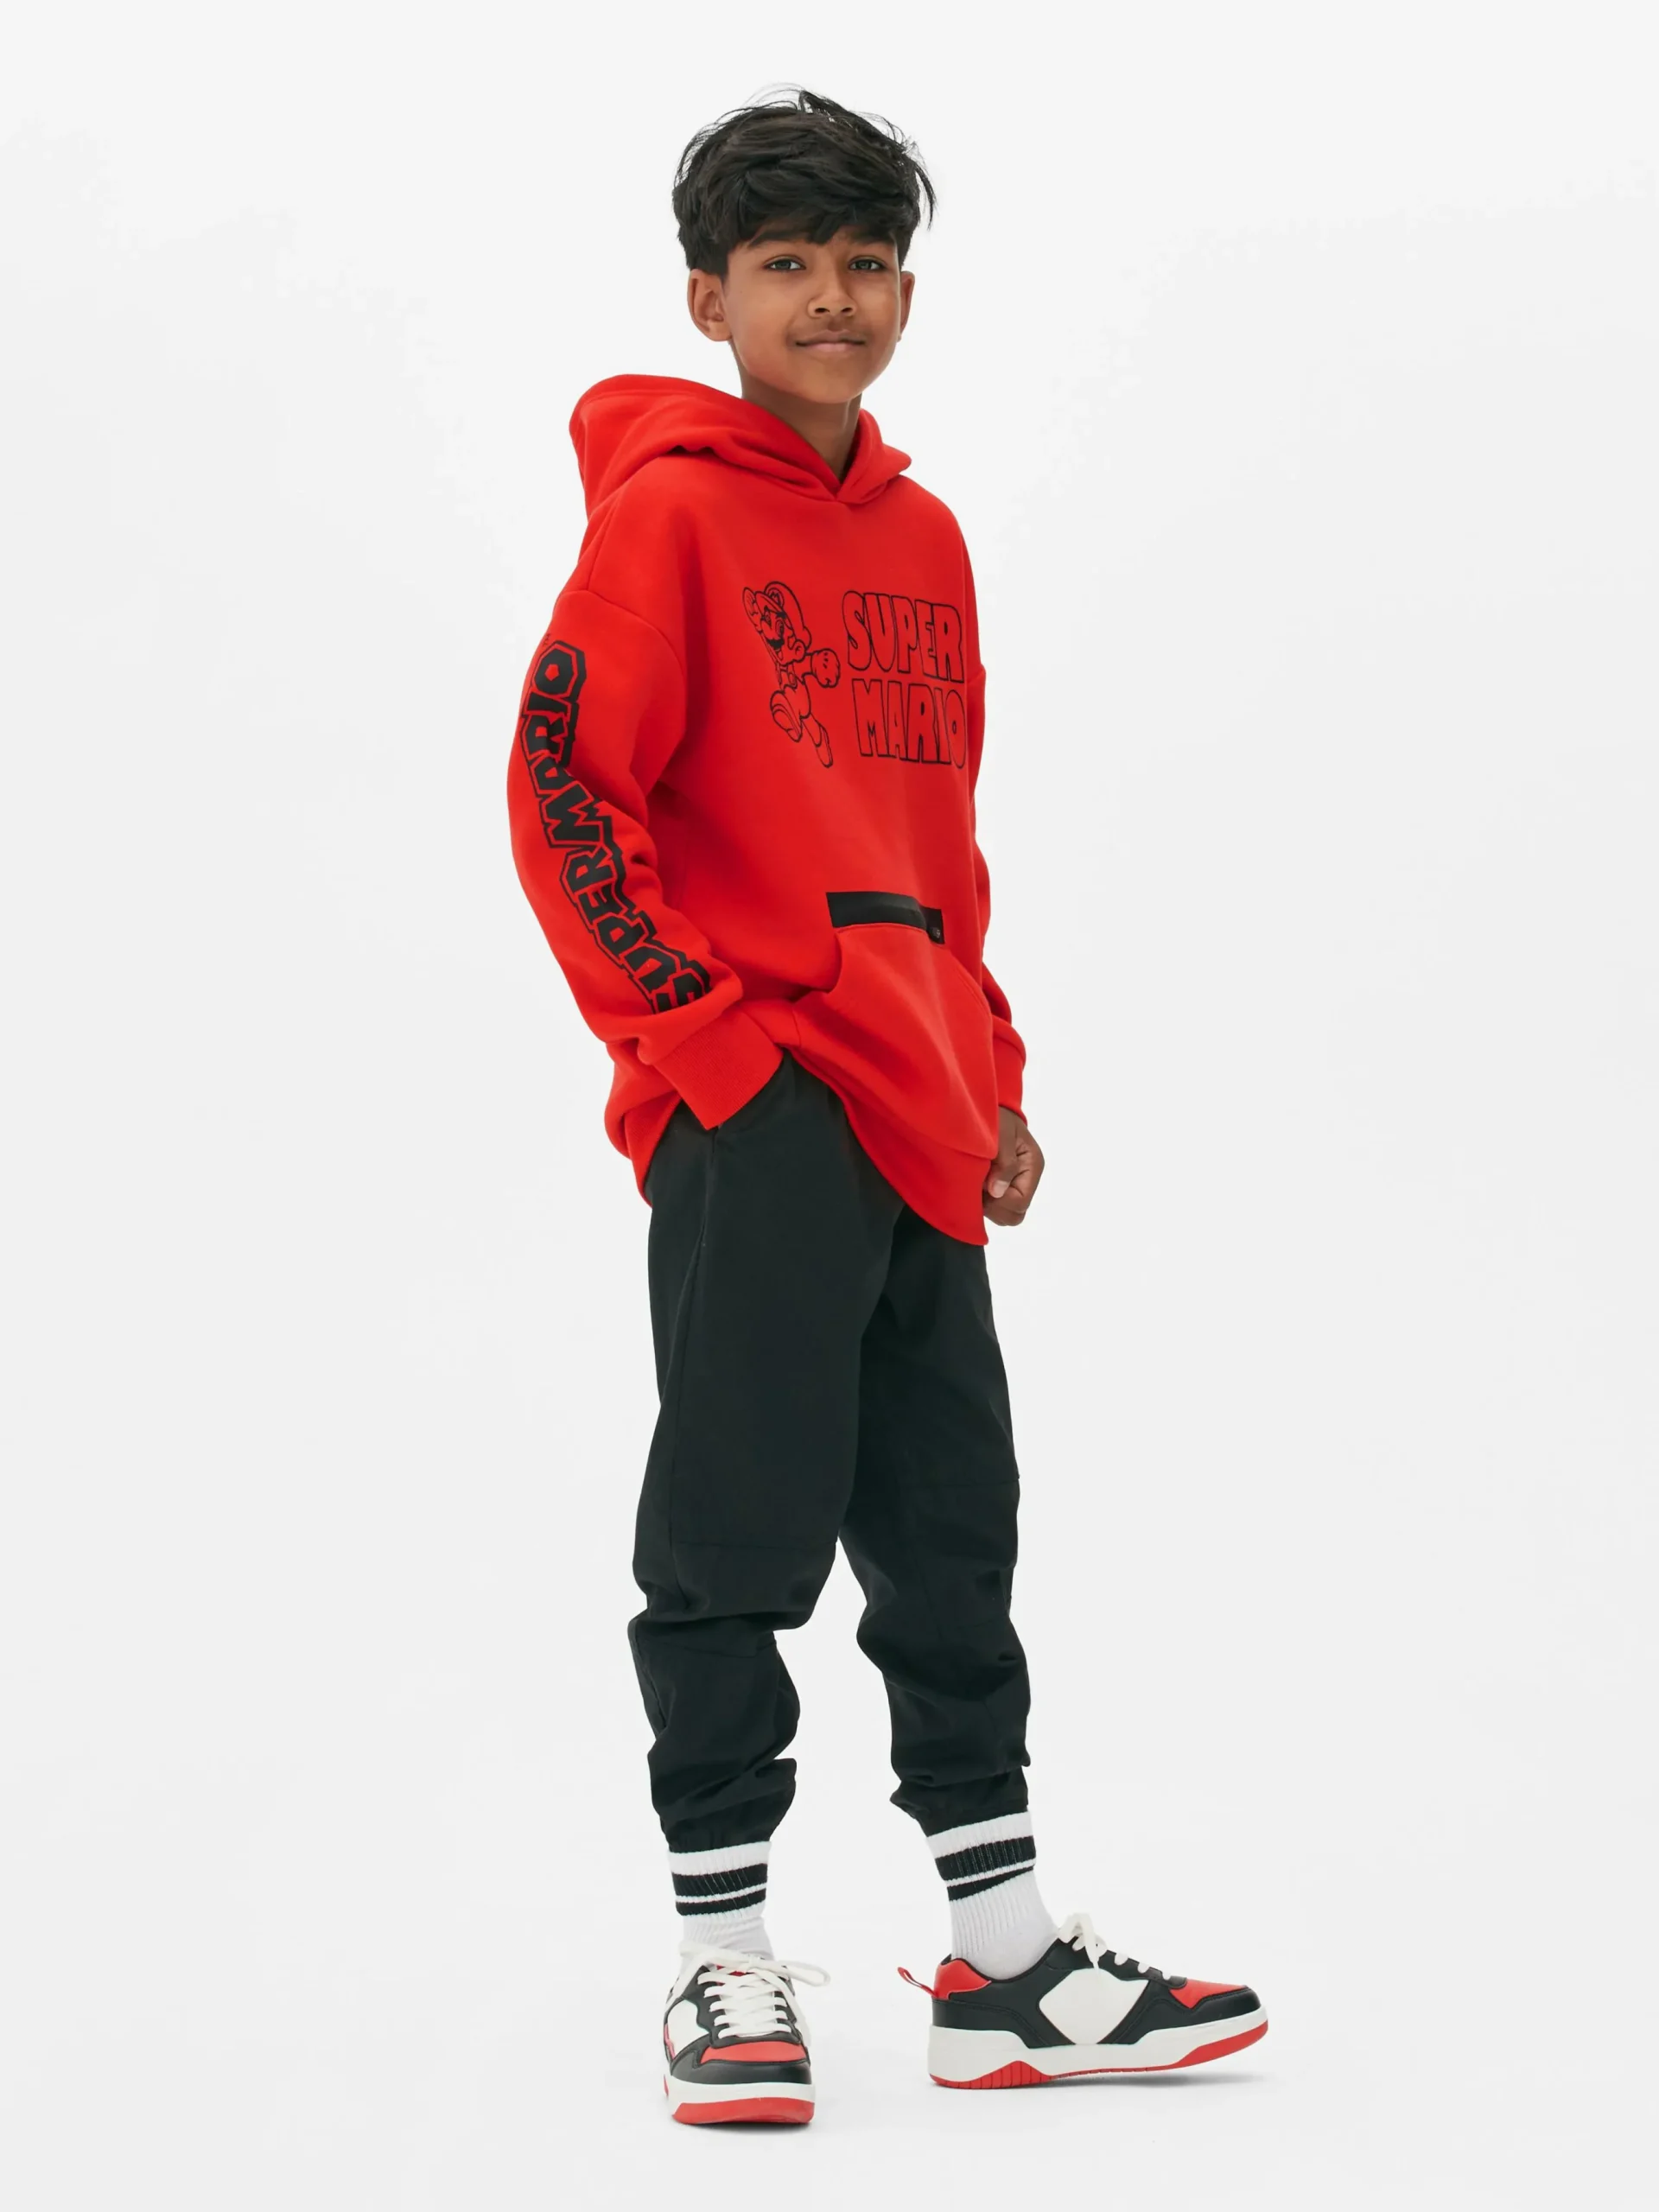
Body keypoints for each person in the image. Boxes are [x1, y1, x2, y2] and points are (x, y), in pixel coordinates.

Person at [507, 86, 1265, 2126]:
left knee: (949, 1526)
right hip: (761, 1107)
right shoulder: (667, 516)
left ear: (906, 292)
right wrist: (710, 1055)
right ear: (710, 298)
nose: (831, 299)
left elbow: (935, 849)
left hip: (918, 1098)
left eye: (864, 264)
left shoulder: (924, 540)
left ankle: (1003, 1966)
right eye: (786, 266)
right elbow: (568, 792)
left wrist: (986, 1061)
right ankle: (724, 1951)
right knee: (736, 1525)